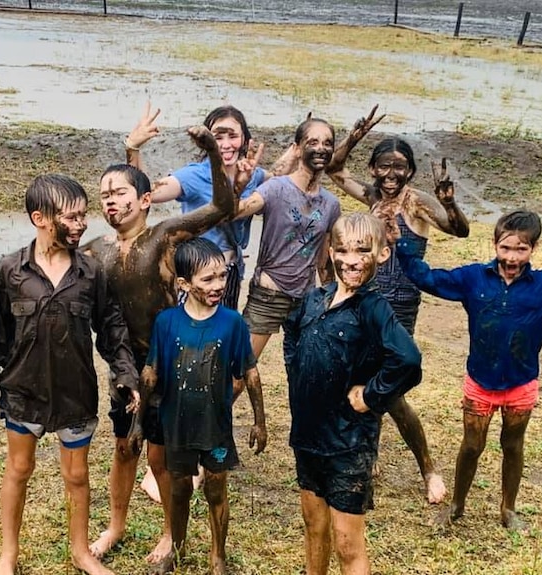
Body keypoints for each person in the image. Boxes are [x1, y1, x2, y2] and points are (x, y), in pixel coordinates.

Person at [396, 209, 542, 530]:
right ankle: (456, 505)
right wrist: (402, 246)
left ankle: (508, 509)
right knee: (471, 445)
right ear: (494, 244)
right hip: (480, 382)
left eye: (521, 249)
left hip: (521, 385)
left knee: (512, 444)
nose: (511, 257)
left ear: (533, 249)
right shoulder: (472, 279)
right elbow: (427, 278)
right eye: (505, 248)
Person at [84, 117, 237, 566]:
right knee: (123, 447)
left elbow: (222, 206)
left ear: (145, 200)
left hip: (171, 364)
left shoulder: (165, 236)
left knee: (162, 457)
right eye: (105, 195)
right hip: (125, 366)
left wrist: (211, 149)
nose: (111, 201)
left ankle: (172, 533)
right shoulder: (95, 250)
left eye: (121, 193)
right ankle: (116, 524)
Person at [0, 174, 139, 575]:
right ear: (40, 218)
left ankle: (81, 552)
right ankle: (8, 555)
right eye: (71, 217)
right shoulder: (9, 271)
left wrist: (125, 374)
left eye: (84, 216)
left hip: (74, 393)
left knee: (77, 475)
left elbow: (112, 328)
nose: (81, 225)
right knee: (19, 469)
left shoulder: (91, 274)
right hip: (22, 392)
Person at [326, 131, 470, 504]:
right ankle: (368, 453)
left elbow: (459, 230)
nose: (391, 173)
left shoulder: (417, 202)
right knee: (360, 376)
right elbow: (336, 169)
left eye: (400, 167)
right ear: (373, 168)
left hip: (401, 306)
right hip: (365, 300)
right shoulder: (372, 198)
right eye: (385, 166)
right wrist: (355, 136)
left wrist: (449, 205)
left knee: (390, 392)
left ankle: (429, 469)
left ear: (410, 171)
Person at [284, 212, 422, 575]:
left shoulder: (373, 309)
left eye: (362, 250)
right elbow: (292, 332)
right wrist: (297, 374)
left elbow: (408, 359)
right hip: (309, 437)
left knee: (348, 543)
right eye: (342, 249)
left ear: (381, 254)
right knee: (314, 527)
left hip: (348, 444)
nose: (350, 259)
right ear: (330, 250)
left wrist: (373, 395)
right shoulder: (316, 298)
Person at [136, 237, 267, 575]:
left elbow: (250, 373)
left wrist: (259, 421)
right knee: (179, 488)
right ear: (184, 283)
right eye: (208, 279)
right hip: (176, 425)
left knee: (216, 488)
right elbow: (150, 375)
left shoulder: (232, 322)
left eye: (223, 277)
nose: (218, 285)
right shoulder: (167, 323)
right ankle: (175, 549)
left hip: (216, 427)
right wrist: (139, 424)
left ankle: (218, 555)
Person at [148, 105, 292, 310]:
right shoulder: (193, 176)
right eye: (217, 137)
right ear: (206, 142)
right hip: (196, 275)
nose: (225, 145)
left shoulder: (253, 175)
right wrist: (133, 148)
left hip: (231, 272)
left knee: (223, 332)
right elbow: (148, 194)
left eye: (232, 136)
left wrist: (296, 149)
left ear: (244, 139)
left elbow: (277, 182)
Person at [234, 115, 342, 361]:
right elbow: (235, 212)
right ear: (297, 148)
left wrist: (329, 300)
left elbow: (324, 261)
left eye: (327, 143)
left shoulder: (331, 204)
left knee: (303, 371)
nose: (321, 148)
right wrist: (240, 186)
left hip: (306, 300)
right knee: (239, 370)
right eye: (312, 142)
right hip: (268, 295)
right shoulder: (276, 188)